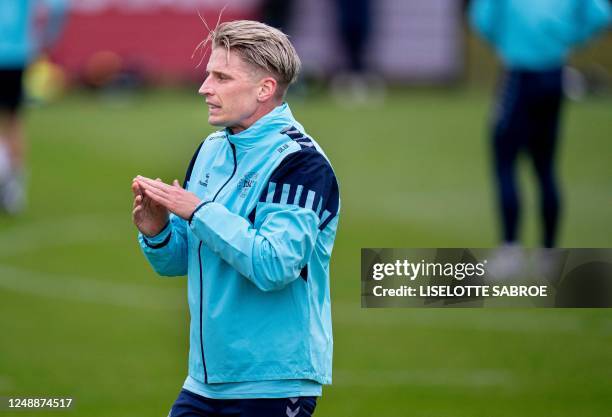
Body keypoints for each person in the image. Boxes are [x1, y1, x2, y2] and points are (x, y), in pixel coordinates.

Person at [132, 20, 340, 417]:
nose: (204, 87)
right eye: (209, 74)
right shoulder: (211, 149)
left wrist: (198, 210)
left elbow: (274, 264)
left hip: (272, 384)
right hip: (204, 380)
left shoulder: (300, 164)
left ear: (264, 88)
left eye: (221, 77)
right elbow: (186, 259)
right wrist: (157, 232)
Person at [469, 0, 611, 261]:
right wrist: (567, 36)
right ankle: (549, 251)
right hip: (554, 73)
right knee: (545, 165)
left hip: (518, 74)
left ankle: (510, 247)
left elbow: (483, 20)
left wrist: (506, 41)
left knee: (504, 159)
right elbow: (600, 13)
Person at [0, 0, 67, 214]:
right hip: (17, 54)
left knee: (11, 121)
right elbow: (57, 7)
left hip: (14, 53)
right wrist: (43, 40)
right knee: (13, 120)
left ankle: (8, 181)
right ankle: (13, 187)